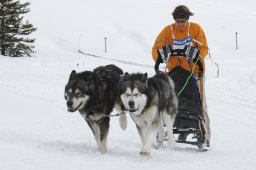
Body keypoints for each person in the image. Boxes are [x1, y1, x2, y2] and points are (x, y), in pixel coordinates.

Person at [152, 5, 210, 146]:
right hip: (174, 74)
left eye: (182, 21)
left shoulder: (196, 29)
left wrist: (197, 55)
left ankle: (206, 135)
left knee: (200, 104)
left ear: (187, 19)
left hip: (193, 73)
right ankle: (167, 130)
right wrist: (161, 55)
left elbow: (204, 48)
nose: (180, 24)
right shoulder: (168, 31)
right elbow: (155, 49)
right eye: (177, 21)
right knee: (170, 103)